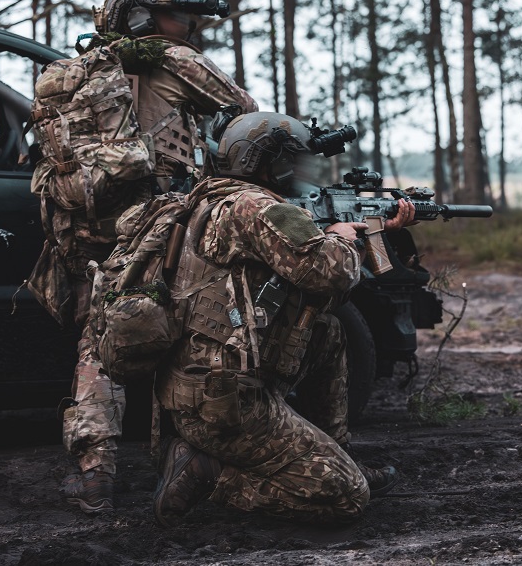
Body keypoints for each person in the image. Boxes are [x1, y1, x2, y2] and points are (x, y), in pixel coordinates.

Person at [152, 111, 414, 526]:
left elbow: (314, 295)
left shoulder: (212, 197)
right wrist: (346, 240)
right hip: (224, 402)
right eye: (292, 162)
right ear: (267, 163)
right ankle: (207, 472)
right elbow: (328, 272)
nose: (299, 172)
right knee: (346, 497)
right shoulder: (257, 207)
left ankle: (333, 451)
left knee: (326, 330)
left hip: (203, 384)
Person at [56, 0, 258, 514]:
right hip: (158, 224)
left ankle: (94, 472)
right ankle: (188, 458)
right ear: (143, 19)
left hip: (87, 227)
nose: (189, 26)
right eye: (178, 15)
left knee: (101, 340)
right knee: (188, 334)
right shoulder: (175, 60)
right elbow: (248, 118)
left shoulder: (77, 71)